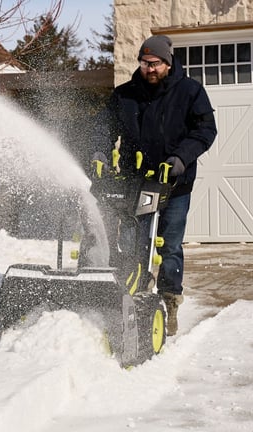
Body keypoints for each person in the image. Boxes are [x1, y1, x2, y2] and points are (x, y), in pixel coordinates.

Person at [94, 34, 217, 336]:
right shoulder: (125, 95)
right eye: (144, 63)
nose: (149, 69)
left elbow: (205, 130)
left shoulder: (190, 91)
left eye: (155, 63)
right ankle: (131, 296)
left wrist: (181, 158)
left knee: (169, 245)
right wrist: (99, 152)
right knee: (132, 242)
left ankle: (170, 301)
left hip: (173, 185)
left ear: (168, 63)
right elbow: (103, 128)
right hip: (134, 182)